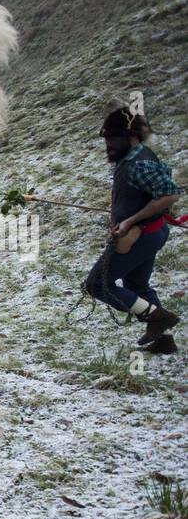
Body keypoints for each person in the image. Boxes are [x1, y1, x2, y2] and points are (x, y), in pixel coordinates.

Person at [84, 101, 181, 354]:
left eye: (114, 138)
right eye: (107, 138)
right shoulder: (132, 158)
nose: (109, 145)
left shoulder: (139, 163)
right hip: (148, 234)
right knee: (136, 285)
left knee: (97, 284)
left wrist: (128, 221)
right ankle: (163, 340)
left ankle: (157, 317)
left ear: (133, 136)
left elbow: (169, 194)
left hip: (140, 236)